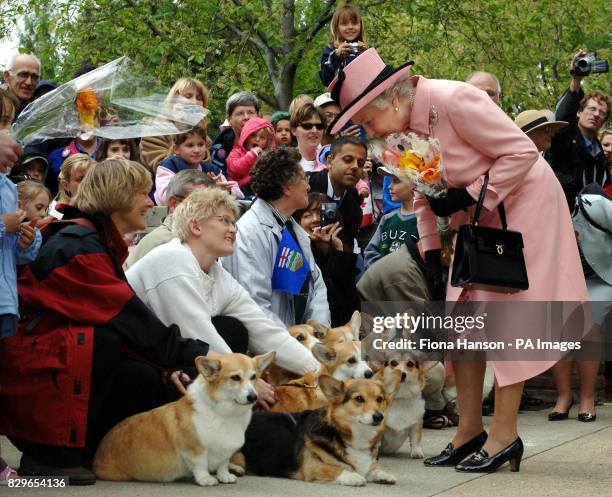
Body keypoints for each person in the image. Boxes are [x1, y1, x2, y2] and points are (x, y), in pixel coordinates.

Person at [329, 48, 588, 473]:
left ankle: (505, 435)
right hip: (479, 215)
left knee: (505, 319)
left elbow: (522, 153)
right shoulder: (397, 135)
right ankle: (469, 430)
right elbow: (426, 192)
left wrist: (469, 195)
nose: (365, 129)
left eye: (367, 119)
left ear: (391, 100)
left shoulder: (455, 99)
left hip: (524, 206)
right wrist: (431, 250)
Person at [0, 159, 217, 485]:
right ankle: (49, 455)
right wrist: (203, 357)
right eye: (143, 194)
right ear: (118, 197)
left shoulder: (95, 240)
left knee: (144, 375)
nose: (149, 202)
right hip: (31, 385)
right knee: (105, 341)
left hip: (39, 374)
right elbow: (132, 320)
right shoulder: (78, 246)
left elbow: (135, 325)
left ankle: (91, 448)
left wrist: (174, 365)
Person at [127, 188, 319, 382]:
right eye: (225, 221)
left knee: (233, 329)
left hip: (161, 361)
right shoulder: (171, 259)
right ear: (196, 227)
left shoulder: (218, 273)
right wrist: (248, 381)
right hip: (125, 367)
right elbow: (198, 337)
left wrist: (319, 370)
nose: (234, 229)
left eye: (234, 223)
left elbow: (264, 330)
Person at [223, 148, 331, 328]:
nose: (308, 187)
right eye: (304, 179)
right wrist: (292, 346)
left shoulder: (293, 228)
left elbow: (316, 287)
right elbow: (255, 307)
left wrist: (318, 334)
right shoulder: (249, 233)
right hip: (276, 348)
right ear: (287, 187)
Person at [0, 131, 40, 485]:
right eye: (5, 127)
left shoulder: (9, 187)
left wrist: (28, 239)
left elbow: (16, 253)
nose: (17, 143)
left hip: (4, 300)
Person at [548, 50, 611, 211]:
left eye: (602, 112)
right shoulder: (565, 142)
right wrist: (576, 78)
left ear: (604, 120)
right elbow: (563, 117)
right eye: (591, 108)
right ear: (579, 111)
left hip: (593, 230)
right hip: (563, 220)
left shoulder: (602, 158)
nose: (596, 114)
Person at [123, 169, 213, 270]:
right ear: (174, 204)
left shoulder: (207, 238)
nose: (209, 211)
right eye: (199, 202)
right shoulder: (161, 242)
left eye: (213, 204)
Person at [293, 192, 359, 326]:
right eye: (307, 215)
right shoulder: (294, 253)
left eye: (321, 214)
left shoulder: (342, 250)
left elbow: (349, 302)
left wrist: (336, 250)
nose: (315, 219)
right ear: (297, 222)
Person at [139, 77, 211, 175]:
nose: (194, 102)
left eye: (198, 98)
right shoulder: (154, 130)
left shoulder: (204, 135)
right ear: (173, 101)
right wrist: (181, 125)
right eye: (188, 96)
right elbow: (162, 167)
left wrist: (202, 134)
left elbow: (207, 167)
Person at [154, 125, 239, 205]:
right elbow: (165, 197)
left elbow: (238, 192)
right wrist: (207, 188)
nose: (197, 150)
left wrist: (226, 190)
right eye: (190, 145)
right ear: (176, 149)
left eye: (200, 144)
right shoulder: (169, 167)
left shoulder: (211, 169)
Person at [309, 135, 365, 249]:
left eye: (360, 163)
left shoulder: (355, 208)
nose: (355, 166)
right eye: (348, 160)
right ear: (330, 161)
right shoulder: (307, 186)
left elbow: (346, 251)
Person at [363, 167, 419, 269]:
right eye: (390, 181)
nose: (389, 186)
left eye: (396, 181)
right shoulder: (387, 219)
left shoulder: (423, 221)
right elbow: (370, 252)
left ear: (414, 184)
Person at [211, 91, 260, 175]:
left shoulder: (269, 145)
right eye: (240, 113)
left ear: (258, 116)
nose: (246, 117)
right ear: (229, 119)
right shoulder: (218, 150)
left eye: (251, 112)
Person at [320, 3, 368, 87]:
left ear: (360, 25)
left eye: (354, 23)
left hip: (365, 95)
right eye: (344, 24)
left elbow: (379, 75)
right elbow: (325, 81)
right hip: (341, 97)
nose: (350, 27)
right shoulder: (330, 50)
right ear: (336, 27)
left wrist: (367, 56)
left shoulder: (367, 49)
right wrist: (336, 57)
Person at [227, 117, 276, 196]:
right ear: (246, 136)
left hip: (261, 190)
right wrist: (251, 155)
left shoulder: (267, 156)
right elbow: (235, 169)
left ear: (267, 143)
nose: (257, 139)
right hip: (241, 189)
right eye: (253, 135)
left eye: (262, 137)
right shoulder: (236, 152)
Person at [2, 53, 41, 118]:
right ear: (7, 76)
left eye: (34, 77)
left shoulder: (38, 112)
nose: (29, 82)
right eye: (23, 75)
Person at [291, 102, 326, 172]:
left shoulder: (330, 158)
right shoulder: (286, 163)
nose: (314, 130)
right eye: (307, 126)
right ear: (294, 130)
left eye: (319, 126)